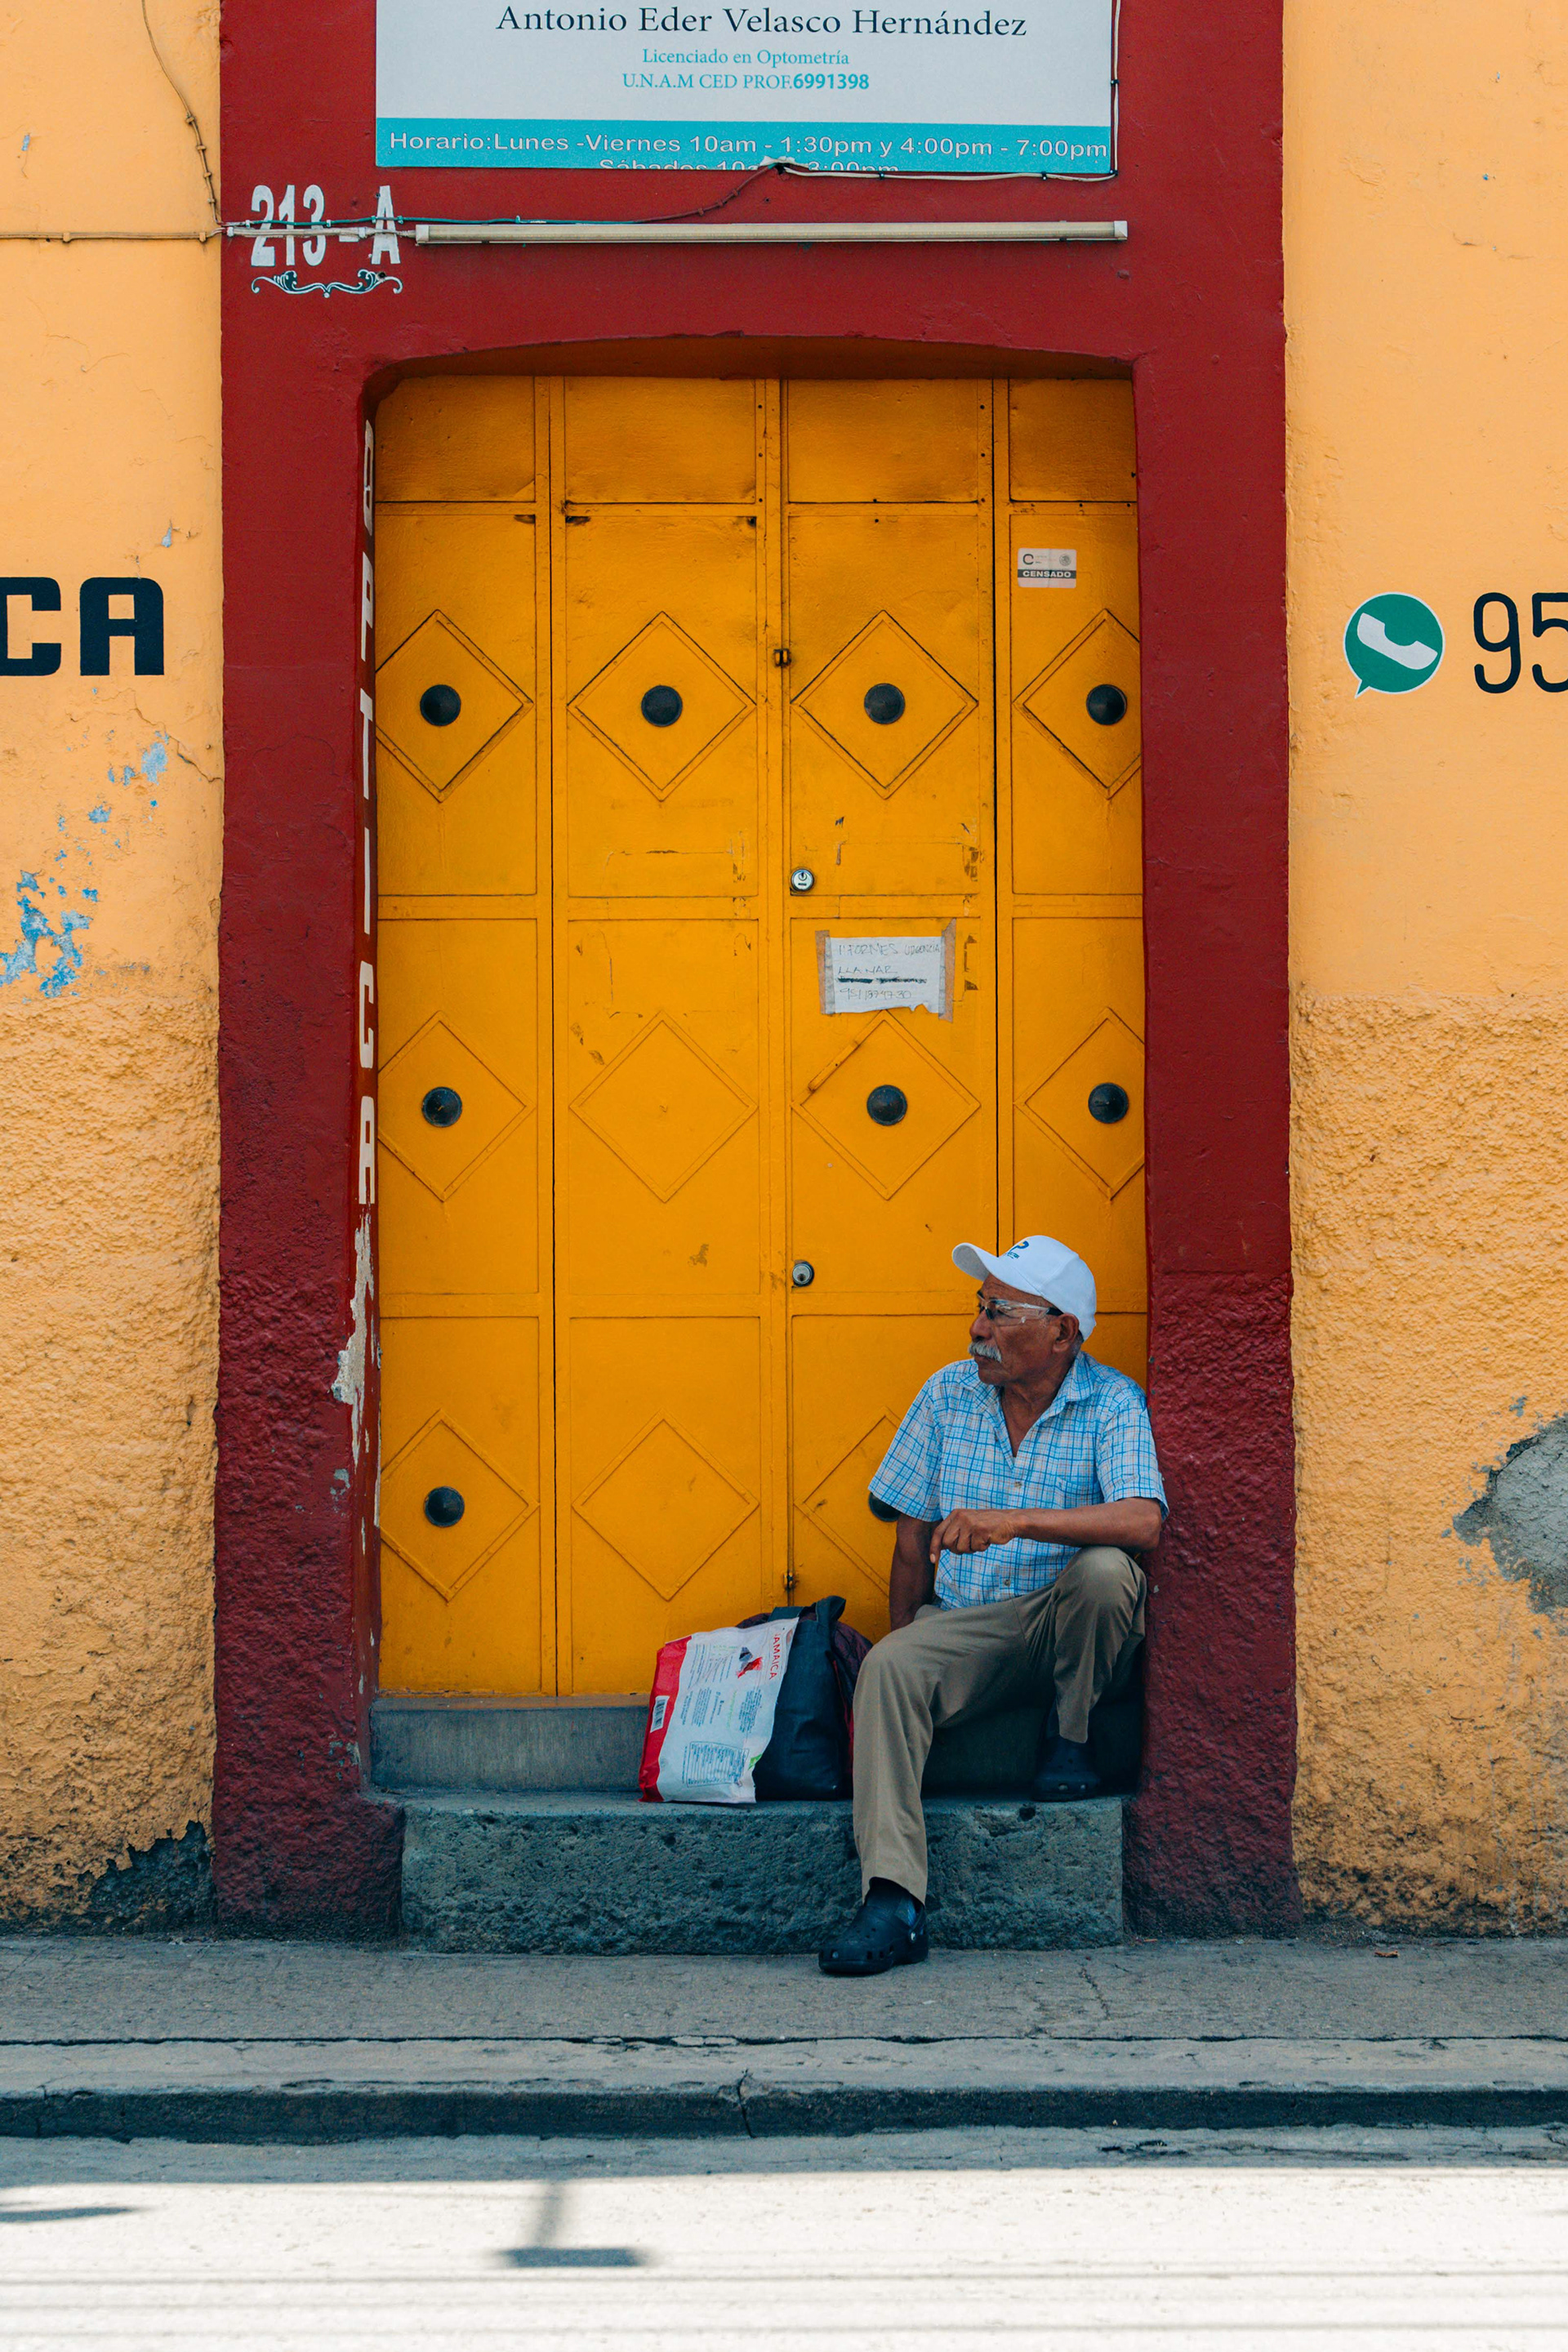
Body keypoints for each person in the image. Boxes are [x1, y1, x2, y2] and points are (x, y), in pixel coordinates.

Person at [819, 1234, 1166, 1977]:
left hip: (1059, 1619)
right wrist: (906, 1648)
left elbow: (1143, 1521)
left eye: (1002, 1312)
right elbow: (912, 1538)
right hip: (966, 1624)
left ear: (1063, 1332)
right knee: (890, 1666)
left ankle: (1069, 1737)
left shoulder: (1111, 1401)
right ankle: (893, 1900)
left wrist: (1012, 1522)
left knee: (1109, 1572)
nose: (978, 1328)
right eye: (981, 1308)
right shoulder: (948, 1392)